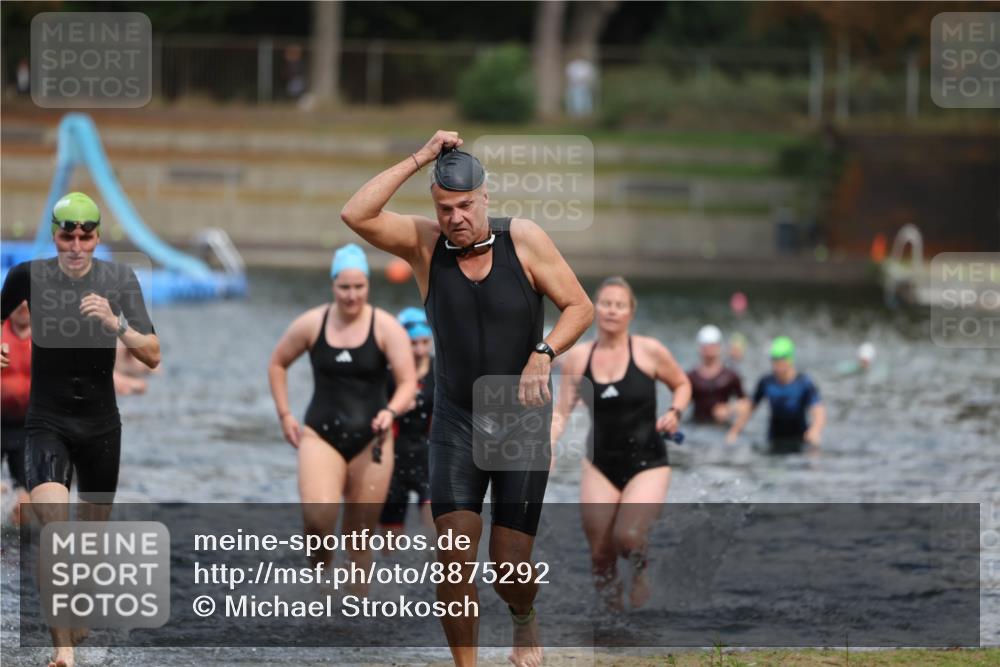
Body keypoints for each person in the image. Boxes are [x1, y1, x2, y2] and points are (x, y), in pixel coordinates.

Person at [340, 131, 593, 667]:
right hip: (455, 421)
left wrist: (543, 353)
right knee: (452, 559)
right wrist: (422, 156)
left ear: (485, 198)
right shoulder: (424, 246)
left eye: (464, 206)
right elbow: (356, 214)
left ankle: (524, 620)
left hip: (521, 422)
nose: (455, 217)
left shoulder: (523, 240)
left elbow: (579, 307)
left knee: (509, 566)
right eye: (444, 208)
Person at [0, 192, 160, 667]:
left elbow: (153, 353)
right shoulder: (28, 275)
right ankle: (62, 651)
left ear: (96, 238)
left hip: (101, 430)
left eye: (84, 236)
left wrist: (116, 324)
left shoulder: (119, 279)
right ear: (55, 235)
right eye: (66, 235)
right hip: (46, 423)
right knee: (56, 534)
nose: (74, 244)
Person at [267, 243, 416, 589]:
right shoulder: (311, 323)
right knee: (318, 521)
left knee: (360, 537)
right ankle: (320, 586)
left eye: (359, 287)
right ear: (333, 286)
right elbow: (277, 363)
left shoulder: (386, 327)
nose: (352, 295)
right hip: (321, 434)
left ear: (368, 285)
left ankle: (355, 611)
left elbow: (408, 382)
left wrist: (391, 410)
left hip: (373, 439)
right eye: (344, 287)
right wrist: (285, 414)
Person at [551, 277, 690, 611]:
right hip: (600, 464)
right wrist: (549, 445)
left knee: (627, 538)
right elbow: (561, 411)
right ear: (596, 308)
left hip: (648, 463)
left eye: (619, 305)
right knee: (600, 554)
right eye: (606, 303)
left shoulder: (649, 351)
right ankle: (613, 626)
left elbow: (682, 383)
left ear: (630, 312)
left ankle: (641, 570)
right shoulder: (579, 358)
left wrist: (675, 411)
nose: (612, 310)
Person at [379, 307, 435, 534]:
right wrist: (395, 406)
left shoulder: (440, 372)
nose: (420, 350)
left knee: (436, 535)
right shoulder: (387, 373)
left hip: (430, 462)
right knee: (388, 548)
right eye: (413, 343)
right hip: (393, 464)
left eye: (425, 342)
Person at [729, 336, 826, 454]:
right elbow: (751, 408)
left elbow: (818, 410)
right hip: (774, 439)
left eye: (780, 360)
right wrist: (734, 431)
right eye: (773, 360)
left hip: (799, 440)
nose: (776, 364)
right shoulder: (766, 382)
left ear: (789, 359)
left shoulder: (804, 383)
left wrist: (815, 430)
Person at [685, 325, 748, 441]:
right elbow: (681, 403)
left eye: (712, 345)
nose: (709, 349)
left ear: (719, 347)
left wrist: (729, 409)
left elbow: (746, 404)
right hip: (696, 428)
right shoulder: (690, 377)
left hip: (721, 430)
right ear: (699, 347)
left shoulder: (730, 375)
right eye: (705, 345)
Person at [1, 300, 32, 524]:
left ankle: (15, 551)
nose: (22, 305)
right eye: (17, 300)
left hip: (27, 428)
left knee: (25, 509)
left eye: (28, 301)